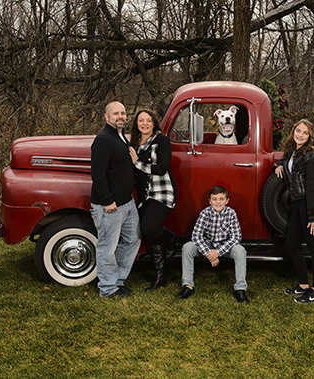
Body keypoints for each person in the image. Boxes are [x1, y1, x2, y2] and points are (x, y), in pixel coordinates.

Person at [90, 101, 141, 298]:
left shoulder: (120, 136)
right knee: (107, 247)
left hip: (127, 203)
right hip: (110, 205)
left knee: (132, 239)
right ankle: (107, 288)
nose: (120, 116)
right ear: (106, 116)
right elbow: (98, 173)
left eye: (123, 113)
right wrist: (107, 200)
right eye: (116, 114)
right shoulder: (103, 140)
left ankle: (116, 280)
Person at [275, 119, 314, 303]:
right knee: (291, 244)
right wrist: (280, 164)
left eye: (305, 133)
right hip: (296, 205)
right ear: (293, 131)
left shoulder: (310, 158)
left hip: (308, 206)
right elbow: (285, 160)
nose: (300, 135)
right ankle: (303, 285)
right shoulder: (293, 152)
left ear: (310, 136)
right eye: (298, 131)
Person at [129, 109, 178, 292]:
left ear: (154, 123)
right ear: (136, 124)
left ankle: (172, 239)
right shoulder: (135, 143)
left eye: (148, 121)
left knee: (147, 228)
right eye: (141, 121)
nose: (145, 124)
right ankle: (160, 277)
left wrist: (137, 163)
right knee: (150, 234)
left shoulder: (161, 141)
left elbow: (161, 168)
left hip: (163, 192)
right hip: (145, 196)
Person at [175, 185, 249, 303]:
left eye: (221, 199)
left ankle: (240, 289)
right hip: (207, 246)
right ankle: (188, 286)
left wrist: (218, 252)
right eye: (214, 199)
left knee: (240, 250)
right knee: (187, 247)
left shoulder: (231, 213)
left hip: (225, 247)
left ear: (227, 201)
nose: (218, 202)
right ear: (209, 201)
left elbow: (236, 237)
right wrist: (209, 253)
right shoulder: (205, 213)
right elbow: (196, 236)